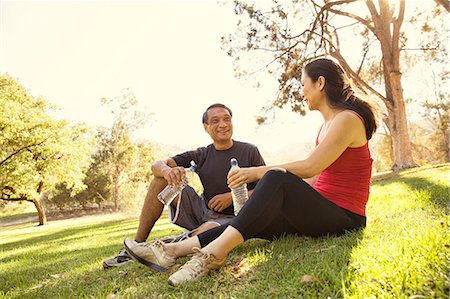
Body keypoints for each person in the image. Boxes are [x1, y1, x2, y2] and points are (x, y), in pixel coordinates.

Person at [123, 58, 378, 285]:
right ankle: (170, 252)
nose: (302, 92)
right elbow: (313, 178)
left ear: (319, 82)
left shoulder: (347, 118)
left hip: (346, 219)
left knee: (275, 177)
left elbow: (312, 166)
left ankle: (212, 256)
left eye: (303, 84)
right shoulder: (327, 125)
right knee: (250, 219)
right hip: (321, 213)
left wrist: (256, 173)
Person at [103, 103, 265, 269]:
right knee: (160, 179)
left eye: (227, 119)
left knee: (206, 231)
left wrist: (231, 197)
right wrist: (167, 171)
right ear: (206, 127)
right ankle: (136, 244)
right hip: (203, 211)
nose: (223, 124)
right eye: (215, 121)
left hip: (233, 218)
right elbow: (157, 166)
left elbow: (265, 190)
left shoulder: (249, 151)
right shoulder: (201, 154)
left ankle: (158, 248)